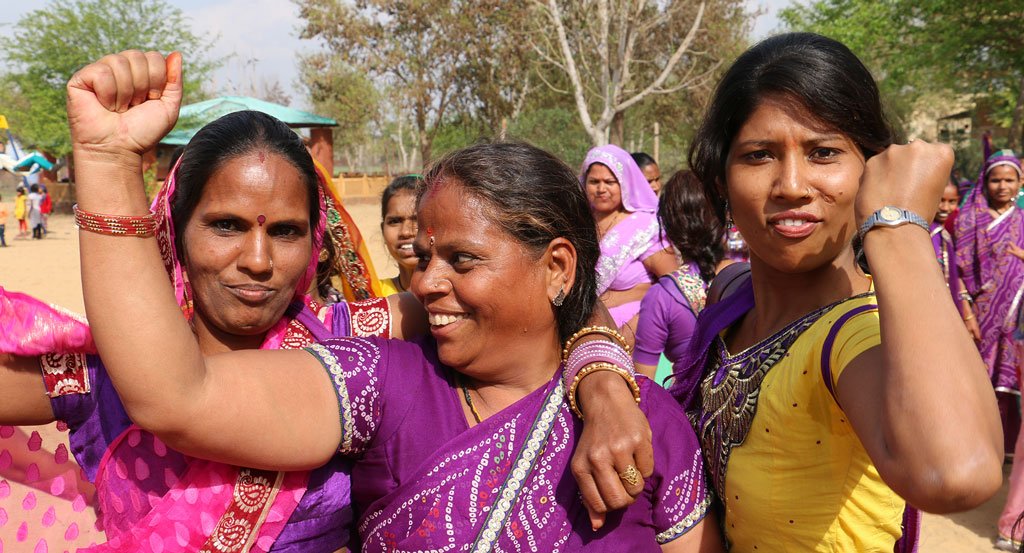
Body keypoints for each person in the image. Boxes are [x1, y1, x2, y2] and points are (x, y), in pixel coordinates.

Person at [66, 50, 719, 551]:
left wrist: (602, 380)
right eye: (425, 255)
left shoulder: (650, 426)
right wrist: (107, 164)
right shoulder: (384, 379)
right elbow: (177, 397)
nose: (425, 279)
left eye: (461, 260)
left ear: (556, 267)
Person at [570, 32, 1004, 551]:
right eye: (759, 155)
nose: (792, 185)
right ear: (721, 179)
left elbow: (960, 474)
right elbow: (573, 299)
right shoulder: (729, 293)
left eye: (824, 153)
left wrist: (897, 225)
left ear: (870, 170)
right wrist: (603, 388)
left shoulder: (854, 337)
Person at [0, 108, 415, 552]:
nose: (258, 260)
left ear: (313, 242)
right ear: (176, 231)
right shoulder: (112, 373)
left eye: (286, 231)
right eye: (226, 225)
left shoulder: (351, 352)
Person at [955, 147, 1024, 458]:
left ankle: (1004, 445)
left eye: (1010, 180)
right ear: (986, 181)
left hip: (1016, 315)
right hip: (978, 312)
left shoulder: (1022, 218)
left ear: (1019, 182)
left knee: (1006, 381)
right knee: (974, 378)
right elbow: (958, 267)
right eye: (996, 180)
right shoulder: (970, 219)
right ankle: (970, 443)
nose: (1003, 186)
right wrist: (967, 312)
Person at [633, 170, 723, 383]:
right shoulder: (752, 277)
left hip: (690, 410)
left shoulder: (662, 296)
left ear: (668, 225)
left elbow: (643, 385)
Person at [582, 144, 677, 338]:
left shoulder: (645, 225)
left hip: (635, 335)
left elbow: (674, 285)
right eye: (594, 181)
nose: (601, 189)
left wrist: (633, 322)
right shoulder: (577, 220)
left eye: (609, 182)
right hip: (582, 331)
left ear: (624, 183)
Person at [378, 174, 421, 295]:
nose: (405, 232)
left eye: (417, 220)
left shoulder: (455, 294)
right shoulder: (373, 295)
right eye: (395, 221)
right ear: (383, 230)